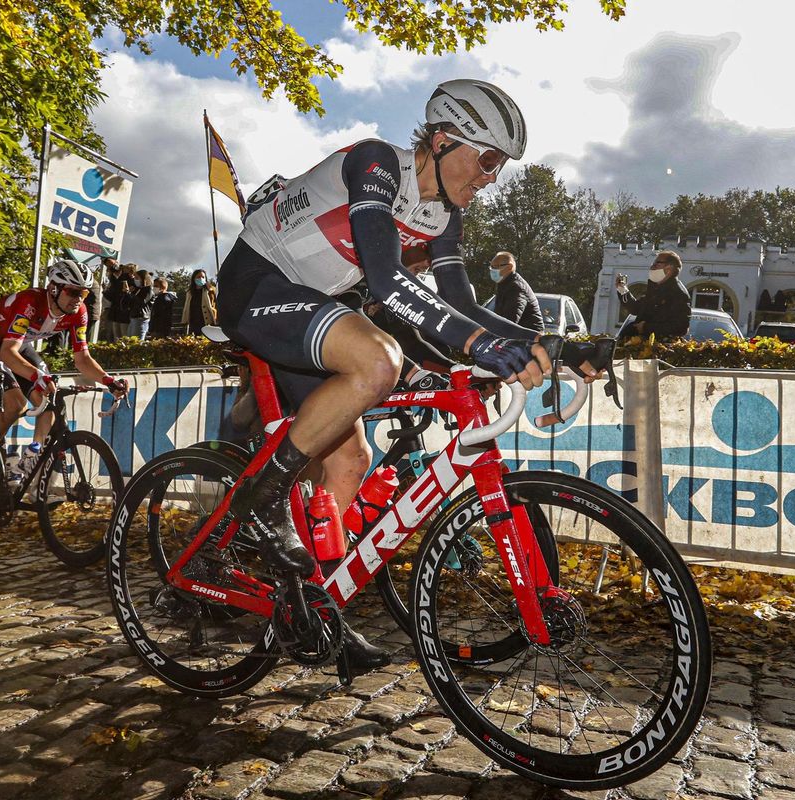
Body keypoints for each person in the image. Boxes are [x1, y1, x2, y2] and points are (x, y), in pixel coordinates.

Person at [216, 79, 603, 672]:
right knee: (379, 360)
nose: (491, 177)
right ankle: (262, 500)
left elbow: (464, 304)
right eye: (489, 160)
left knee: (349, 461)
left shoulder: (443, 216)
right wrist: (481, 347)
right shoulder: (376, 163)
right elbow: (389, 280)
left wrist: (554, 344)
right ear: (445, 140)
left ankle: (310, 607)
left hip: (311, 309)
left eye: (499, 166)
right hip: (257, 285)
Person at [0, 259, 128, 470]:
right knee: (16, 405)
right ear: (53, 288)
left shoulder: (79, 313)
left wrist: (109, 381)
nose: (78, 299)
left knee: (48, 400)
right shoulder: (30, 302)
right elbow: (7, 353)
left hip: (17, 343)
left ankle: (31, 457)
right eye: (72, 291)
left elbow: (82, 359)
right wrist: (36, 376)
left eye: (83, 293)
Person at [616, 250, 691, 340]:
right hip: (640, 343)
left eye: (657, 263)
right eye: (653, 263)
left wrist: (646, 328)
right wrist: (622, 289)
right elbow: (637, 308)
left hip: (658, 349)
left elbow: (681, 327)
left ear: (669, 269)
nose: (652, 267)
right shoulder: (656, 288)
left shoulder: (678, 293)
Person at [484, 251, 544, 333]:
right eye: (491, 267)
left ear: (509, 267)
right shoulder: (504, 284)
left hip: (529, 339)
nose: (493, 270)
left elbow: (509, 321)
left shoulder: (516, 287)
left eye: (496, 267)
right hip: (520, 336)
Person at [103, 260, 133, 340]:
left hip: (125, 311)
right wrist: (105, 291)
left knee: (124, 335)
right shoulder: (113, 279)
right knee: (116, 334)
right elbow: (112, 296)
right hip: (115, 310)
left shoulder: (127, 279)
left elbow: (128, 295)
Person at [181, 269, 216, 336]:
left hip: (206, 322)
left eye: (203, 277)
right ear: (193, 279)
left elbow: (214, 305)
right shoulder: (189, 293)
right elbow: (186, 307)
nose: (201, 279)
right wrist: (185, 320)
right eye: (198, 277)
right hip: (193, 323)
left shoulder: (209, 291)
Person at [127, 268, 154, 340]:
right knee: (129, 340)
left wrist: (133, 293)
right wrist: (128, 293)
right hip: (133, 316)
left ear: (143, 279)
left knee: (136, 341)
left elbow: (142, 301)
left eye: (137, 278)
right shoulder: (138, 289)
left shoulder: (149, 289)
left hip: (141, 318)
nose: (135, 280)